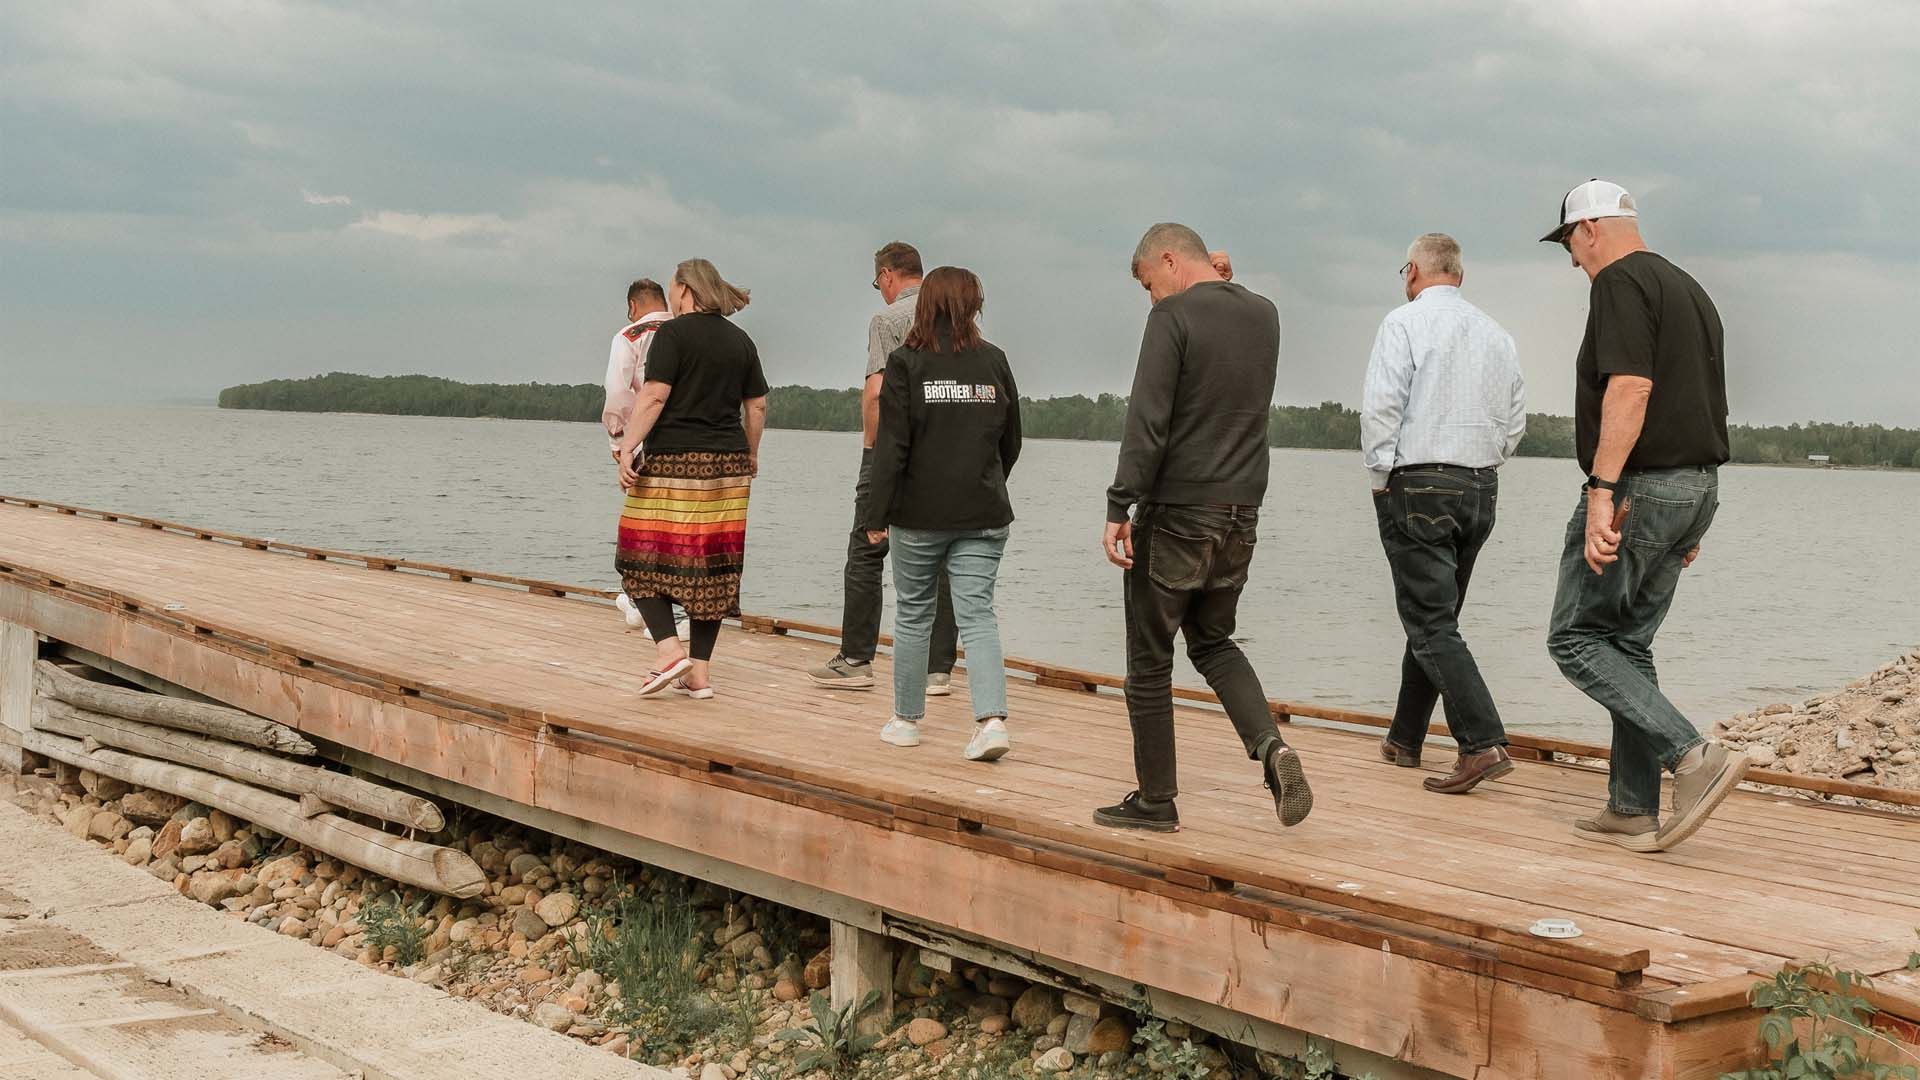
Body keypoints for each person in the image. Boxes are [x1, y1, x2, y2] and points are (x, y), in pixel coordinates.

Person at [1539, 179, 1745, 852]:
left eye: (1570, 242)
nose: (1573, 260)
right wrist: (1694, 512)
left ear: (1591, 229)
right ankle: (1631, 807)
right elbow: (1704, 397)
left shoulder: (1620, 283)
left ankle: (1693, 756)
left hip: (1639, 488)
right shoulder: (1689, 289)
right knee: (1625, 645)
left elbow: (1632, 386)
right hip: (1691, 487)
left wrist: (1603, 490)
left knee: (1575, 639)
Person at [1094, 223, 1312, 833]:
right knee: (1213, 642)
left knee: (1149, 658)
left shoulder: (1171, 319)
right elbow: (1225, 319)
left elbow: (1148, 419)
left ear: (1168, 260)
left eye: (1148, 283)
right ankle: (1272, 748)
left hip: (1179, 510)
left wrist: (1120, 505)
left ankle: (1156, 801)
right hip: (1241, 511)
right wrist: (1217, 280)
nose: (1151, 298)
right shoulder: (1264, 314)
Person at [1361, 233, 1526, 794]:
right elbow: (1515, 422)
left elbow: (1383, 405)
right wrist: (1484, 464)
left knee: (1431, 621)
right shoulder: (1497, 335)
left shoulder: (1402, 323)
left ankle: (1481, 742)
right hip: (1480, 487)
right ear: (1460, 274)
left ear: (1412, 271)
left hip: (1418, 483)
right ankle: (1405, 737)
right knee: (1437, 615)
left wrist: (1382, 478)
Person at [862, 267, 1023, 761]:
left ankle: (906, 721)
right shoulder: (994, 361)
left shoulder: (906, 363)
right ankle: (991, 721)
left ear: (926, 304)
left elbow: (892, 448)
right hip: (982, 511)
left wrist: (875, 513)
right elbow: (1011, 440)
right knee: (978, 615)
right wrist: (987, 481)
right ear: (974, 305)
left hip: (918, 513)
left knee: (913, 613)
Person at [615, 258, 769, 699]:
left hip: (675, 462)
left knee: (636, 555)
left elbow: (654, 396)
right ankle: (698, 671)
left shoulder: (672, 335)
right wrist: (751, 452)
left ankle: (667, 651)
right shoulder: (741, 341)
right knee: (714, 567)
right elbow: (755, 406)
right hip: (729, 466)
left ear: (684, 290)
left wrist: (628, 447)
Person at [811, 243, 959, 693]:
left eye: (879, 283)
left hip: (894, 452)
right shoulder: (958, 321)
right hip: (947, 455)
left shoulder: (888, 321)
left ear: (889, 275)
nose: (881, 290)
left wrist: (871, 449)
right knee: (942, 557)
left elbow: (876, 392)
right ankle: (938, 670)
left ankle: (856, 658)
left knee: (866, 550)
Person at [602, 279, 684, 635]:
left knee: (642, 528)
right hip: (687, 438)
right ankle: (649, 604)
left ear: (633, 305)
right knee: (676, 528)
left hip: (645, 439)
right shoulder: (685, 330)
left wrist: (620, 444)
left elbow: (619, 392)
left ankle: (644, 604)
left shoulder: (630, 336)